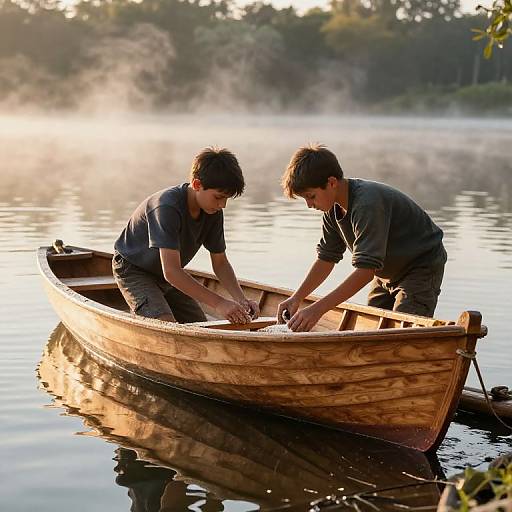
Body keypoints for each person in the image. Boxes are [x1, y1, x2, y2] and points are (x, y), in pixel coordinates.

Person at [277, 144, 447, 332]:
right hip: (385, 272)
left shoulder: (367, 204)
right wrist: (297, 297)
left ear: (332, 183)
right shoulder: (332, 210)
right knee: (371, 329)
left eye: (311, 196)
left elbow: (365, 271)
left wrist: (318, 309)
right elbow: (326, 258)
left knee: (403, 332)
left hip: (420, 266)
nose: (309, 205)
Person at [113, 147, 259, 325]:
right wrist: (220, 303)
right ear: (197, 185)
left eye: (226, 199)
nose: (223, 205)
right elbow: (172, 271)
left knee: (199, 326)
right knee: (166, 326)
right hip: (134, 270)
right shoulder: (167, 207)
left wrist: (241, 300)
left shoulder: (212, 210)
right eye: (218, 197)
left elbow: (220, 263)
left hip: (167, 275)